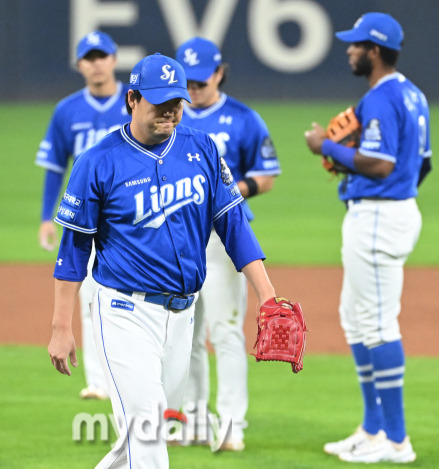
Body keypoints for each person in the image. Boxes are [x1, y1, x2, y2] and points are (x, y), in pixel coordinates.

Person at [47, 52, 285, 469]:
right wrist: (61, 327)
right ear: (133, 100)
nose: (171, 112)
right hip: (124, 312)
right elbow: (73, 253)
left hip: (182, 317)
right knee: (149, 429)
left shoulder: (201, 149)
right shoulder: (97, 163)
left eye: (177, 103)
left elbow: (234, 226)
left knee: (142, 435)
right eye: (160, 103)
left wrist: (268, 295)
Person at [304, 12, 431, 464]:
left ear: (374, 51)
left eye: (356, 44)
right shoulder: (413, 94)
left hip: (378, 217)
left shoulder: (380, 99)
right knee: (355, 318)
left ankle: (396, 441)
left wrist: (329, 148)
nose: (349, 50)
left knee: (377, 324)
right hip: (391, 211)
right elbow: (422, 164)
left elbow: (380, 165)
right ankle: (373, 427)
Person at [175, 37, 281, 451]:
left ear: (220, 73)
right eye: (189, 82)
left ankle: (231, 425)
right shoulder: (171, 118)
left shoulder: (243, 118)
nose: (195, 89)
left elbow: (267, 175)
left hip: (222, 239)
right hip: (181, 239)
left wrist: (223, 190)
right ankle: (195, 420)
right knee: (186, 334)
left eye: (202, 81)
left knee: (224, 333)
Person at [35, 31, 128, 400]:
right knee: (89, 298)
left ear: (114, 59)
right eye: (88, 58)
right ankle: (99, 382)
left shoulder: (135, 102)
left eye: (101, 56)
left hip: (129, 215)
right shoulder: (67, 110)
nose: (96, 64)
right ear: (79, 65)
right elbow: (55, 167)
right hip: (87, 217)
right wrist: (46, 216)